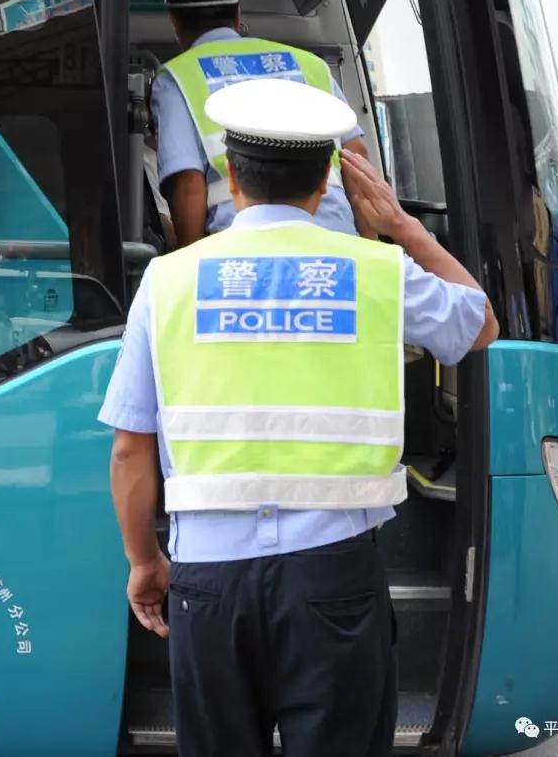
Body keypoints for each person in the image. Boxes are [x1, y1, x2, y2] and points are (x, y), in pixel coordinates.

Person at [99, 78, 499, 757]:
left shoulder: (167, 281)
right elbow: (480, 324)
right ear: (327, 184)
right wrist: (400, 225)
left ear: (231, 176)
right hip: (334, 578)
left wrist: (144, 561)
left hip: (208, 584)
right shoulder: (377, 270)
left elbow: (130, 450)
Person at [149, 0, 370, 246]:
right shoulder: (311, 65)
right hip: (337, 243)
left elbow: (188, 182)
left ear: (175, 21)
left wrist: (190, 259)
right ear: (238, 15)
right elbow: (356, 156)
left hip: (243, 251)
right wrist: (369, 244)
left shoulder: (175, 78)